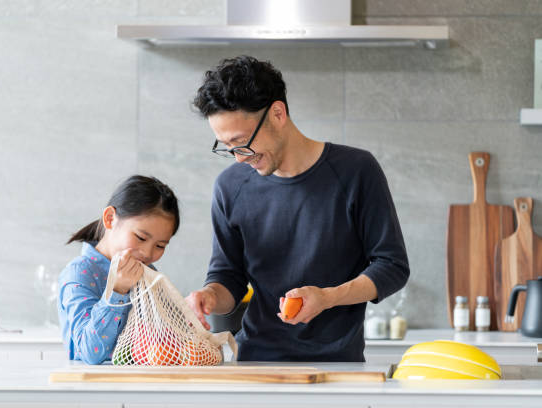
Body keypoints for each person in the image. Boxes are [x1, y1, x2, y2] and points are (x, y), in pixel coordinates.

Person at [186, 55, 409, 362]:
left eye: (242, 143)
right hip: (255, 363)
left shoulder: (356, 171)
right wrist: (209, 296)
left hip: (339, 366)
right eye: (227, 148)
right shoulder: (230, 186)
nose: (239, 158)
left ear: (278, 114)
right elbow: (229, 277)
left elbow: (392, 266)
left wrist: (328, 297)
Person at [58, 175, 180, 364]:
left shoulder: (148, 272)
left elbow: (164, 337)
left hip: (145, 384)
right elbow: (90, 353)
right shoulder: (80, 273)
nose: (148, 253)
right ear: (110, 219)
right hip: (96, 388)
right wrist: (118, 291)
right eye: (140, 237)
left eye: (160, 246)